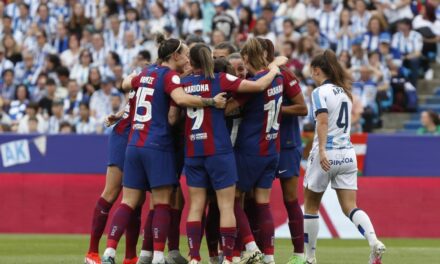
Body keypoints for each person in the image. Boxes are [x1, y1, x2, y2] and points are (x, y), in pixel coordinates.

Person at [101, 36, 227, 264]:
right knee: (161, 202)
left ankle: (109, 252)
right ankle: (158, 256)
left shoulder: (146, 73)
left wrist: (120, 113)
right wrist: (210, 102)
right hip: (156, 145)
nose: (188, 59)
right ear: (175, 55)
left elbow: (126, 85)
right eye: (185, 54)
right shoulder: (170, 76)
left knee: (127, 202)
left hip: (134, 144)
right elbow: (178, 102)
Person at [181, 43, 282, 264]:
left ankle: (195, 258)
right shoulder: (220, 80)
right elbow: (258, 86)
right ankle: (228, 258)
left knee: (197, 205)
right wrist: (274, 69)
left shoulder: (184, 83)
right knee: (227, 205)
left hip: (193, 151)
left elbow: (172, 114)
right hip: (218, 151)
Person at [303, 50, 385, 264]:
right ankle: (374, 241)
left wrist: (321, 150)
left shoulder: (319, 92)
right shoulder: (346, 93)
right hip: (348, 155)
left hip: (326, 154)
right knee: (350, 207)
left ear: (317, 70)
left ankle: (309, 258)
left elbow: (321, 122)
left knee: (310, 206)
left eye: (311, 70)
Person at [226, 38, 285, 264]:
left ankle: (251, 247)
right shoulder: (278, 77)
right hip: (272, 148)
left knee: (231, 198)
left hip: (251, 148)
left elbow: (229, 108)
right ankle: (269, 257)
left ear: (247, 58)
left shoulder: (254, 83)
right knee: (262, 203)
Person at [258, 38, 309, 264]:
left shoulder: (285, 75)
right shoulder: (254, 76)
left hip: (286, 145)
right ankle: (261, 253)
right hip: (261, 145)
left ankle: (299, 254)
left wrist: (276, 110)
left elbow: (302, 108)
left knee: (290, 199)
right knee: (257, 201)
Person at [84, 88, 140, 264]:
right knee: (111, 192)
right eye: (184, 58)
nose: (186, 60)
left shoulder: (162, 77)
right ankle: (92, 253)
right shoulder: (160, 77)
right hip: (125, 134)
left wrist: (119, 113)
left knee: (137, 199)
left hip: (142, 137)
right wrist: (119, 114)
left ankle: (130, 256)